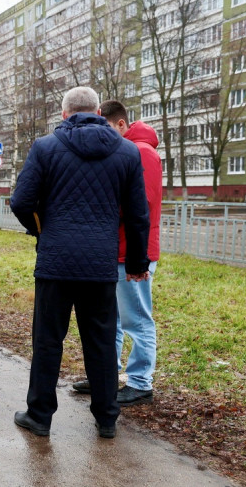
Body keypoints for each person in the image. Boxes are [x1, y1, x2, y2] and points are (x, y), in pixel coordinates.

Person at [10, 86, 150, 439]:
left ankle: (40, 416)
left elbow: (21, 202)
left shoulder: (45, 147)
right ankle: (106, 419)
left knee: (47, 340)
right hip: (100, 264)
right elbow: (137, 216)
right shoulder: (127, 151)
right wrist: (136, 262)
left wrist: (42, 231)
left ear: (64, 114)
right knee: (102, 341)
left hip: (55, 261)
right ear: (98, 111)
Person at [72, 101, 162, 407]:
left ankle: (140, 382)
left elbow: (141, 205)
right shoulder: (130, 150)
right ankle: (105, 376)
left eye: (107, 129)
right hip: (116, 250)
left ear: (120, 125)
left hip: (133, 253)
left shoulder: (142, 152)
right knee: (110, 318)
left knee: (137, 319)